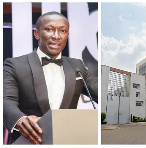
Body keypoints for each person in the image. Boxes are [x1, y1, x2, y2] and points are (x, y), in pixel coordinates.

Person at [3, 11, 98, 144]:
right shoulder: (14, 65)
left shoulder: (77, 66)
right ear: (37, 33)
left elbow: (100, 91)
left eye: (63, 31)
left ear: (67, 35)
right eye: (49, 30)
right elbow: (6, 100)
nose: (56, 36)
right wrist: (20, 120)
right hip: (28, 142)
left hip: (68, 141)